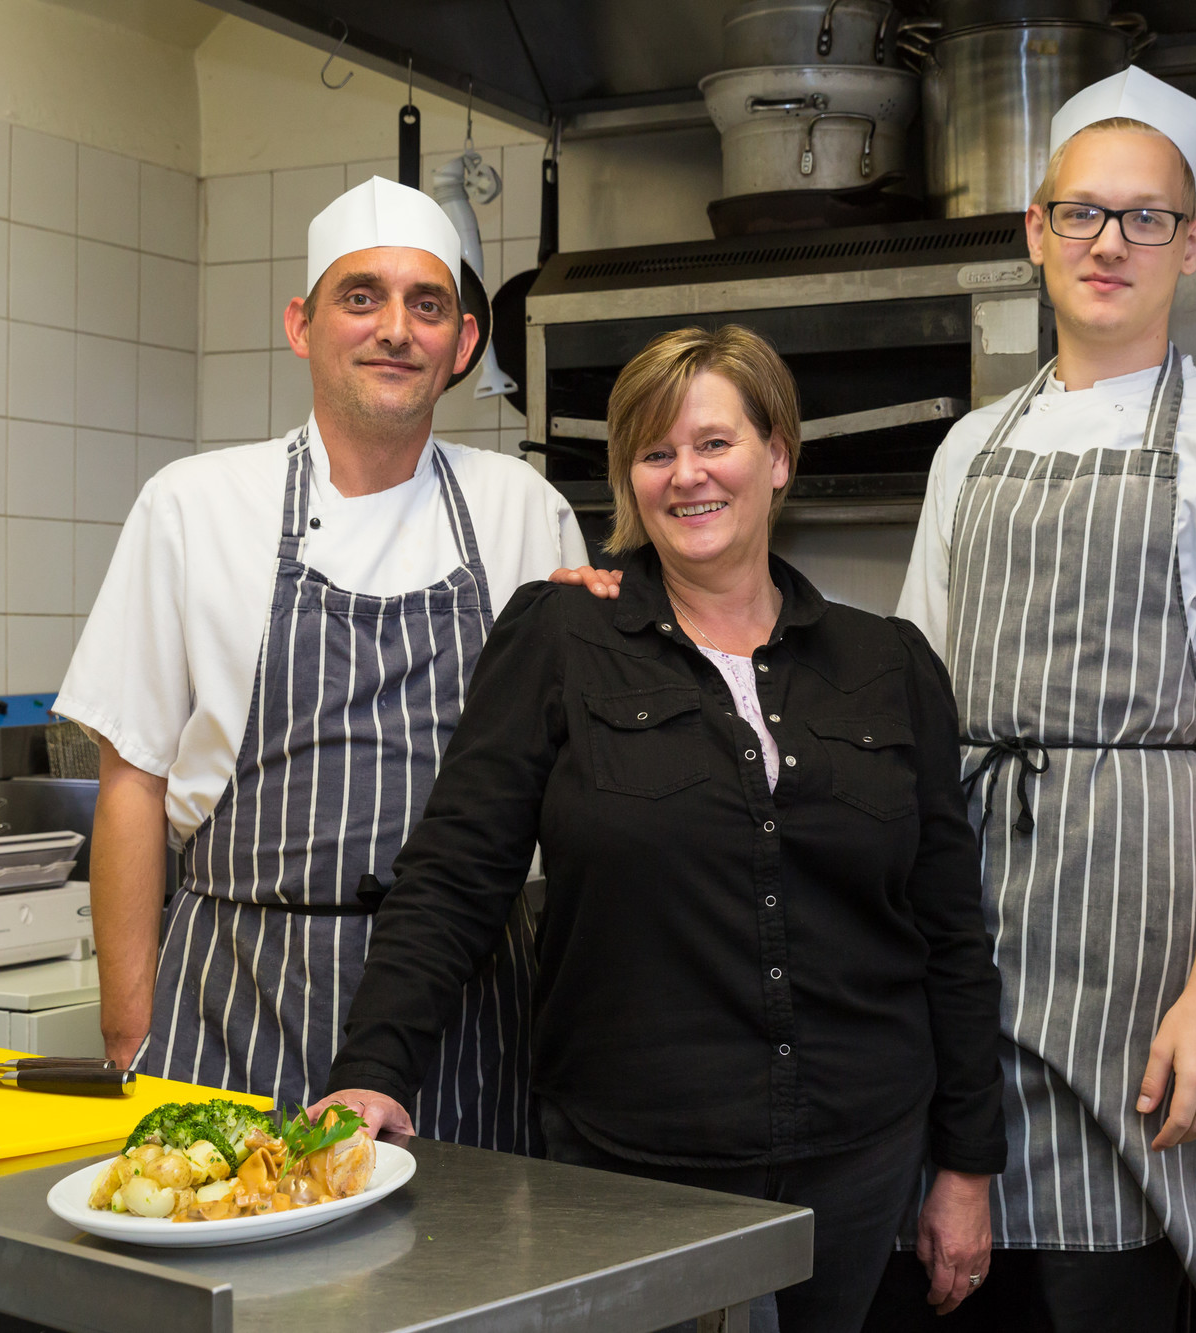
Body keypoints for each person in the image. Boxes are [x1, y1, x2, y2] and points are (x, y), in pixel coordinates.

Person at [315, 325, 1008, 1330]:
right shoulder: (561, 637)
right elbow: (456, 873)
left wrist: (966, 1162)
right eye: (654, 452)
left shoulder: (889, 663)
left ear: (777, 456)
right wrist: (372, 1071)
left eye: (714, 443)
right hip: (631, 1166)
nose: (687, 475)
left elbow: (949, 930)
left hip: (860, 1157)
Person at [865, 68, 1196, 1328]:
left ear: (1192, 243)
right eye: (1081, 213)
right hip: (964, 902)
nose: (1108, 243)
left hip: (1132, 929)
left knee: (1107, 1266)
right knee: (954, 1240)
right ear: (1034, 232)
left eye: (1145, 217)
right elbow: (920, 694)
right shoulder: (970, 447)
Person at [56, 176, 587, 1133]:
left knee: (455, 1277)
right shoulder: (194, 505)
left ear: (464, 344)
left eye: (428, 305)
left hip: (460, 1011)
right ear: (303, 325)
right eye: (361, 297)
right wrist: (131, 1024)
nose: (396, 328)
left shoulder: (525, 511)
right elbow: (130, 780)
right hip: (237, 995)